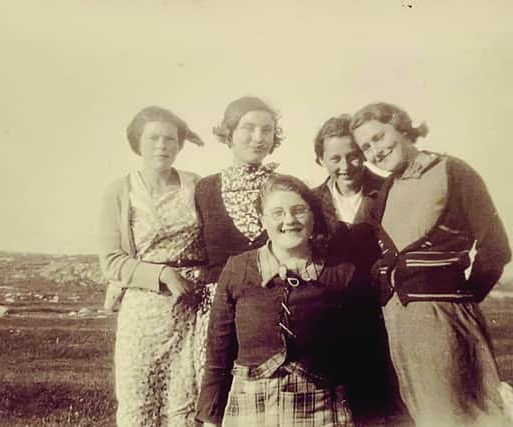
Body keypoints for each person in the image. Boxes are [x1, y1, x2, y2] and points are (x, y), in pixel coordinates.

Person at [350, 102, 512, 427]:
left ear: (401, 126)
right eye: (366, 147)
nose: (375, 151)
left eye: (379, 137)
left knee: (462, 416)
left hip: (443, 320)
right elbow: (361, 248)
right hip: (397, 323)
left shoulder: (452, 170)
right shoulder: (384, 191)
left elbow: (495, 247)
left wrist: (458, 298)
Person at [196, 174, 356, 426]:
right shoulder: (238, 269)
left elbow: (358, 353)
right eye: (277, 213)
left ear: (313, 216)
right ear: (262, 220)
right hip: (250, 405)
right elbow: (218, 351)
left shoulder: (340, 273)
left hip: (320, 407)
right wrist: (210, 418)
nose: (289, 220)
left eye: (298, 210)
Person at [99, 106, 207, 426]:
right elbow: (112, 261)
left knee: (185, 406)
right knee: (137, 404)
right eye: (153, 138)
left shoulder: (197, 186)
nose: (162, 145)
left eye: (170, 139)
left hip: (192, 309)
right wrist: (162, 274)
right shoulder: (120, 191)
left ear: (180, 144)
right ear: (138, 144)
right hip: (142, 309)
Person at [312, 115, 409, 426]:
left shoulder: (390, 191)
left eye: (353, 155)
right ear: (320, 159)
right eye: (335, 158)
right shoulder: (310, 202)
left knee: (390, 407)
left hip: (385, 314)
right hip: (331, 318)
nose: (346, 166)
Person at [192, 96, 284, 384]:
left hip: (273, 311)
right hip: (217, 314)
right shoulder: (204, 189)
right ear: (229, 133)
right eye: (249, 128)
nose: (259, 138)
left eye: (267, 130)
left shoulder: (285, 187)